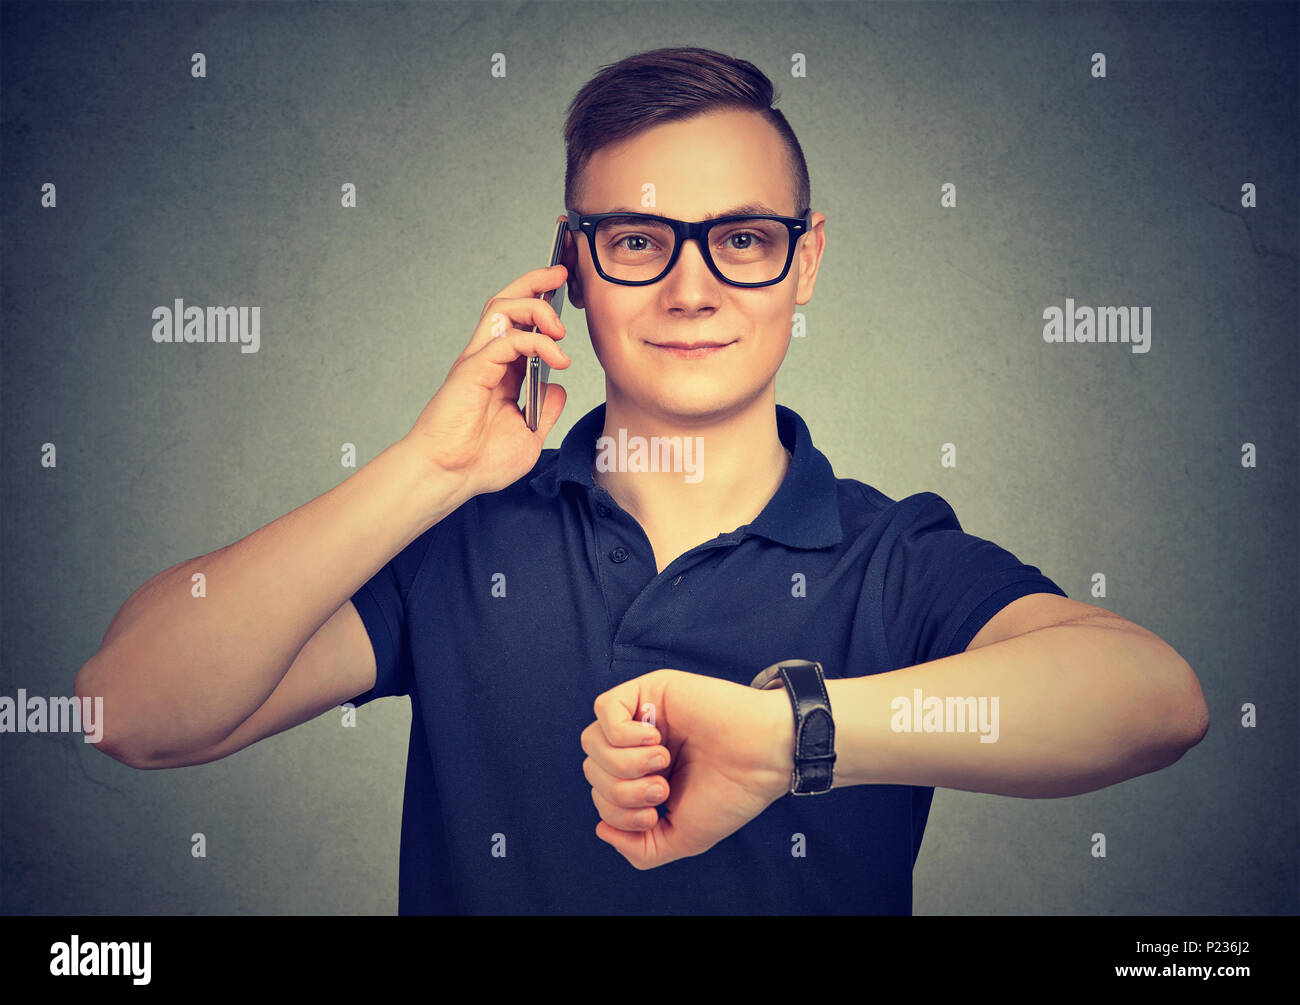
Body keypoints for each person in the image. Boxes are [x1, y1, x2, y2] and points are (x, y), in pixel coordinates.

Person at [76, 47, 1209, 915]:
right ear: (571, 267)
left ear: (802, 260)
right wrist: (429, 468)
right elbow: (131, 711)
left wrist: (790, 737)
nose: (691, 288)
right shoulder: (459, 546)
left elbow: (1151, 699)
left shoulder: (894, 559)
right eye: (637, 241)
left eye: (744, 239)